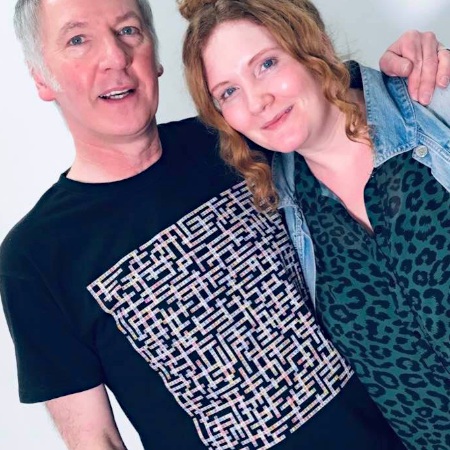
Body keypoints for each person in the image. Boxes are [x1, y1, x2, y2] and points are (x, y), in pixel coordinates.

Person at [0, 0, 448, 448]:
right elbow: (94, 439)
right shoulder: (35, 254)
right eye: (78, 40)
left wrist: (415, 64)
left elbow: (324, 96)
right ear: (41, 76)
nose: (115, 58)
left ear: (155, 55)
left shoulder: (240, 140)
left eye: (128, 31)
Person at [179, 0, 450, 449]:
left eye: (266, 64)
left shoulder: (433, 100)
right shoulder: (280, 209)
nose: (257, 101)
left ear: (311, 44)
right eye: (228, 92)